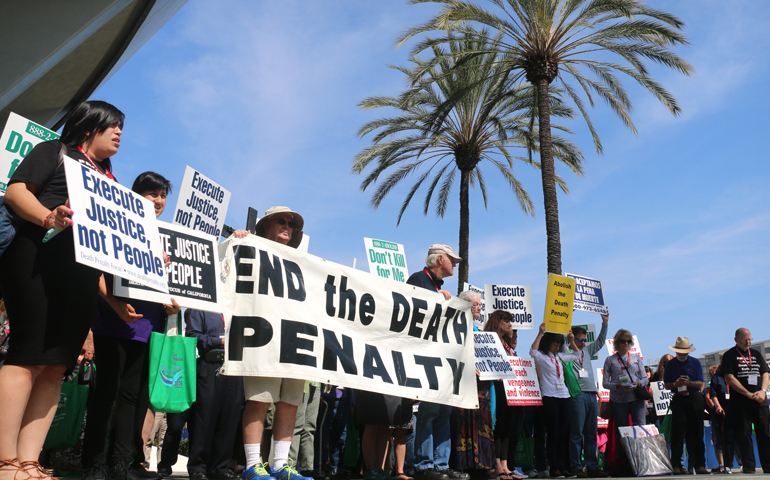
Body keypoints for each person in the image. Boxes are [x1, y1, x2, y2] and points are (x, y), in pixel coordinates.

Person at [0, 101, 126, 480]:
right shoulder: (52, 152)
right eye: (114, 126)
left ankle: (29, 462)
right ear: (89, 126)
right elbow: (15, 192)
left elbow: (105, 247)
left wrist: (118, 299)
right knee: (27, 356)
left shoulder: (110, 179)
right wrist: (47, 216)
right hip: (37, 262)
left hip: (81, 278)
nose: (120, 133)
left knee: (56, 367)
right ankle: (5, 461)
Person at [81, 171, 181, 480]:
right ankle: (94, 463)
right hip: (113, 322)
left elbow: (179, 289)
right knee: (105, 393)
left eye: (163, 195)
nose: (159, 201)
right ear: (135, 196)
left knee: (132, 397)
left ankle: (121, 464)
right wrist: (112, 305)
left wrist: (175, 305)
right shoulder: (114, 224)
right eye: (152, 194)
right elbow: (93, 268)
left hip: (146, 327)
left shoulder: (168, 236)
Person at [235, 207, 311, 480]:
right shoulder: (248, 248)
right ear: (266, 225)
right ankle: (253, 465)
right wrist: (237, 241)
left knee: (290, 403)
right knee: (259, 399)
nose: (287, 227)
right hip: (261, 338)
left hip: (293, 341)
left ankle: (280, 465)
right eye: (281, 221)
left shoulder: (301, 263)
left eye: (292, 225)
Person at [407, 245, 468, 480]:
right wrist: (436, 298)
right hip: (427, 359)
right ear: (439, 259)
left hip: (443, 359)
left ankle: (441, 464)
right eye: (452, 260)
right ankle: (424, 464)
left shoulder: (437, 286)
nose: (455, 264)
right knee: (430, 412)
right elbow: (413, 309)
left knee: (444, 413)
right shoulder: (418, 279)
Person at [186, 308, 245, 480]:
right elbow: (192, 336)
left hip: (235, 367)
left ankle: (220, 467)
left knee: (230, 417)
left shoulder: (236, 308)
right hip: (210, 365)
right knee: (205, 416)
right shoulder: (201, 308)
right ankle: (198, 467)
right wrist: (220, 341)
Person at [452, 292, 495, 479]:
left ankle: (482, 464)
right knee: (464, 423)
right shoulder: (455, 326)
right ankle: (464, 464)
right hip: (463, 383)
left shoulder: (478, 330)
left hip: (481, 386)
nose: (479, 307)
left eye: (480, 304)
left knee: (481, 425)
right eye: (476, 304)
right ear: (464, 304)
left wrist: (496, 370)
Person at [529, 323, 580, 478]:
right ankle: (554, 468)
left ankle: (563, 466)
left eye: (559, 345)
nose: (557, 347)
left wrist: (571, 340)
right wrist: (540, 333)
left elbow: (577, 355)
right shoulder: (541, 357)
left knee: (564, 433)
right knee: (553, 433)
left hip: (564, 396)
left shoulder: (559, 356)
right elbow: (532, 351)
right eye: (555, 344)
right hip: (549, 396)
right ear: (548, 343)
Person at [563, 314, 609, 478]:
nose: (583, 343)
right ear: (572, 338)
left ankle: (592, 466)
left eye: (584, 340)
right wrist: (568, 313)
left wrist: (605, 323)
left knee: (591, 433)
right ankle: (576, 466)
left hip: (591, 395)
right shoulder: (566, 351)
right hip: (577, 395)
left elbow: (600, 342)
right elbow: (562, 336)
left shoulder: (587, 351)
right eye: (580, 340)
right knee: (576, 433)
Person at [720, 328, 770, 474]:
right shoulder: (729, 355)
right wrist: (748, 394)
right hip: (741, 402)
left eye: (750, 340)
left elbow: (765, 373)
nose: (748, 343)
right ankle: (749, 466)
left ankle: (768, 465)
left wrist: (762, 391)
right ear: (736, 339)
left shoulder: (755, 353)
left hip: (760, 400)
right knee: (744, 435)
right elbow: (729, 378)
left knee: (764, 433)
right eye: (744, 340)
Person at [483, 310, 522, 480]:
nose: (509, 325)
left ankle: (505, 465)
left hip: (510, 388)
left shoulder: (506, 344)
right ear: (497, 321)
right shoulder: (487, 339)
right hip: (495, 387)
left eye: (510, 322)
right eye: (506, 321)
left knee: (507, 425)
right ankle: (496, 463)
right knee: (498, 426)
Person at [602, 329, 647, 471]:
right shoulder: (610, 360)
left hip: (636, 398)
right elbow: (605, 383)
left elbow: (645, 378)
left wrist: (639, 383)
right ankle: (622, 463)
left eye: (628, 341)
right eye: (623, 341)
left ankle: (642, 461)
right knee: (621, 431)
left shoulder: (636, 358)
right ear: (617, 343)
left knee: (640, 428)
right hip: (618, 399)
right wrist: (618, 385)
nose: (626, 344)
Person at [663, 337, 707, 475]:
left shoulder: (695, 362)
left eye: (684, 351)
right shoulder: (670, 364)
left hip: (694, 398)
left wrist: (689, 383)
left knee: (696, 434)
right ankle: (677, 465)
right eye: (679, 351)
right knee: (677, 434)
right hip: (678, 399)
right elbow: (666, 385)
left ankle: (699, 465)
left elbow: (700, 383)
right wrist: (676, 384)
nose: (682, 354)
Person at [707, 365, 736, 474]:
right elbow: (712, 394)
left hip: (733, 410)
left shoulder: (734, 376)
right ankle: (723, 465)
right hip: (720, 411)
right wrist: (717, 406)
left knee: (732, 438)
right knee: (720, 439)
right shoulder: (717, 378)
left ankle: (736, 463)